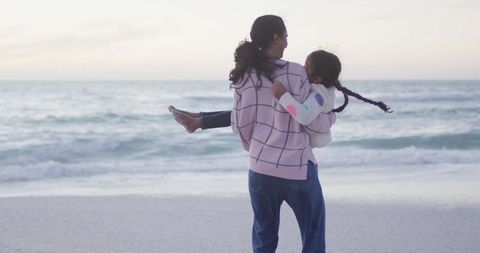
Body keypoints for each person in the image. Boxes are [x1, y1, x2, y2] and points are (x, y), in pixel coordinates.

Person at [174, 15, 334, 253]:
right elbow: (309, 122)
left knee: (264, 236)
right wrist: (330, 118)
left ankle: (199, 120)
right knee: (312, 233)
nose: (287, 44)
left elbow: (241, 122)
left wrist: (257, 147)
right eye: (286, 37)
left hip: (260, 170)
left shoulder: (244, 75)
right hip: (297, 168)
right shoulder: (295, 72)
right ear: (277, 37)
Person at [169, 50, 392, 148]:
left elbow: (304, 116)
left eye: (306, 66)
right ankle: (198, 119)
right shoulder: (317, 87)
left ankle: (198, 122)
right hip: (303, 135)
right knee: (249, 110)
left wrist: (282, 95)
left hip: (309, 142)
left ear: (317, 77)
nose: (302, 69)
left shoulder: (320, 95)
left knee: (254, 111)